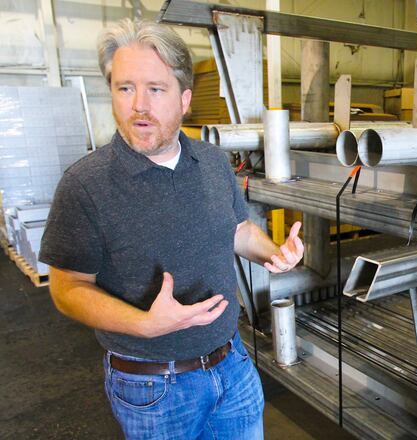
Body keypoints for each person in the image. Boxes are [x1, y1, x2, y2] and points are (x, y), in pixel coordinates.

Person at [39, 18, 302, 439]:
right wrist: (145, 324)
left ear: (184, 100)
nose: (138, 105)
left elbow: (236, 230)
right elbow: (67, 287)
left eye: (155, 89)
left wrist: (273, 252)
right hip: (152, 387)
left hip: (232, 366)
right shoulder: (85, 185)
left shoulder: (214, 163)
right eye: (125, 88)